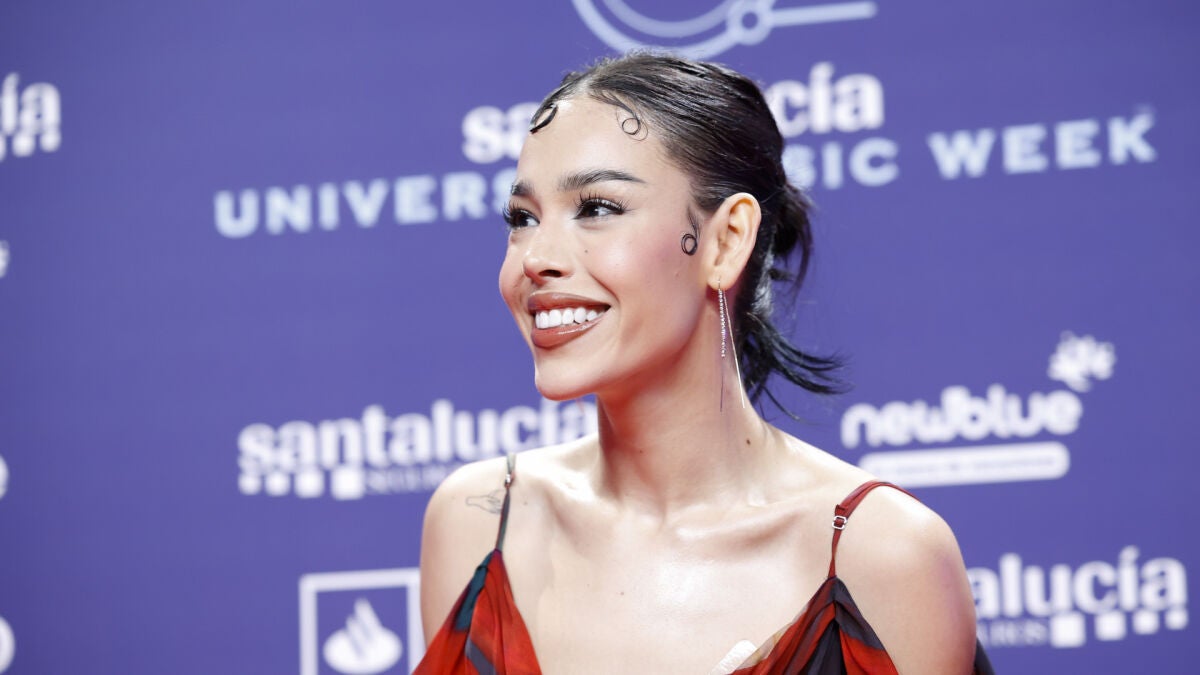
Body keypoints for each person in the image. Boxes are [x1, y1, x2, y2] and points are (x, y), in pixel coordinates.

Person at [415, 53, 992, 674]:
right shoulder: (479, 523)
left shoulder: (881, 554)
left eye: (598, 208)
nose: (535, 258)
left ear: (726, 241)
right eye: (522, 219)